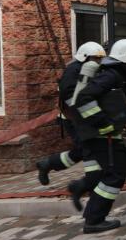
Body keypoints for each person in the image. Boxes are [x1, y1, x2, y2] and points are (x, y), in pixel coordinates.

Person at [68, 39, 126, 233]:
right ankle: (94, 220)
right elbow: (84, 98)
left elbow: (109, 101)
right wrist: (102, 122)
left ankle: (81, 190)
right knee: (115, 176)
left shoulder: (116, 76)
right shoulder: (110, 76)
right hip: (101, 135)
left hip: (107, 134)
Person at [36, 41, 106, 190]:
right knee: (88, 148)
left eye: (100, 59)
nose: (98, 61)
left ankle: (47, 164)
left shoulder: (91, 68)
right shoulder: (72, 71)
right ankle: (92, 184)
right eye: (96, 58)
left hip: (85, 117)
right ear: (84, 57)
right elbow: (69, 94)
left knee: (82, 150)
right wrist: (83, 111)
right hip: (73, 118)